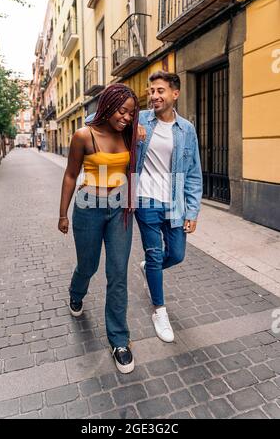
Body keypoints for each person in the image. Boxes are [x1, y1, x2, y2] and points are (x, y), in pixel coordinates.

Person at [58, 84, 140, 374]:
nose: (127, 117)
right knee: (88, 265)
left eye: (131, 113)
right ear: (107, 105)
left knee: (118, 272)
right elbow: (70, 175)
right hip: (88, 208)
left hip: (119, 210)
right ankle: (76, 292)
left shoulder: (129, 134)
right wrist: (62, 214)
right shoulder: (84, 135)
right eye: (122, 110)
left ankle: (119, 340)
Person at [136, 71, 203, 343]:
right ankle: (159, 310)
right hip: (144, 200)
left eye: (160, 90)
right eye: (152, 91)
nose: (154, 96)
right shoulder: (139, 118)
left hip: (174, 203)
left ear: (175, 94)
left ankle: (149, 269)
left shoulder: (186, 129)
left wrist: (193, 210)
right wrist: (132, 129)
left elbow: (194, 173)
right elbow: (96, 119)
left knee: (176, 255)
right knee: (154, 255)